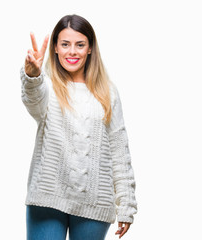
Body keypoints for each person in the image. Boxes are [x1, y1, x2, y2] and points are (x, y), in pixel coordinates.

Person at [20, 14, 138, 240]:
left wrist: (126, 205)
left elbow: (119, 151)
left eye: (79, 45)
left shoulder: (108, 93)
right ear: (55, 48)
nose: (72, 51)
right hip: (48, 198)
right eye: (65, 44)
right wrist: (33, 76)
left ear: (90, 49)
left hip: (94, 204)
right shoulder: (47, 86)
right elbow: (33, 101)